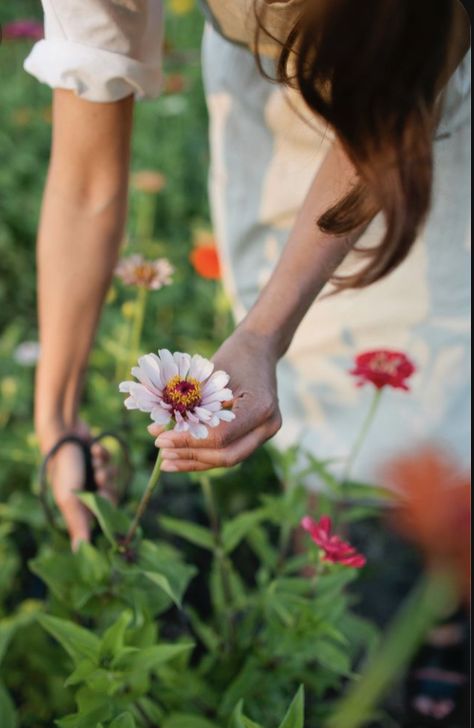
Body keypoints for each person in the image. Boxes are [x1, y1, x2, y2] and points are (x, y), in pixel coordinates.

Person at [24, 0, 470, 721]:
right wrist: (57, 421)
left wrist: (265, 332)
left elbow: (387, 111)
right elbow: (85, 184)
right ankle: (334, 571)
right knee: (312, 384)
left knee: (436, 375)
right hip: (263, 95)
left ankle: (442, 607)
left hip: (413, 99)